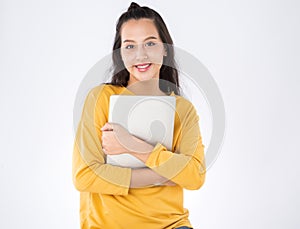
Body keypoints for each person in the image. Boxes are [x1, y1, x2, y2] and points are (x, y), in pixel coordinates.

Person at [72, 2, 206, 229]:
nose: (141, 55)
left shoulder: (182, 110)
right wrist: (167, 174)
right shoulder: (101, 98)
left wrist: (132, 145)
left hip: (170, 225)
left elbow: (194, 177)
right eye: (130, 46)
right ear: (120, 53)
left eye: (150, 43)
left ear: (165, 48)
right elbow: (85, 176)